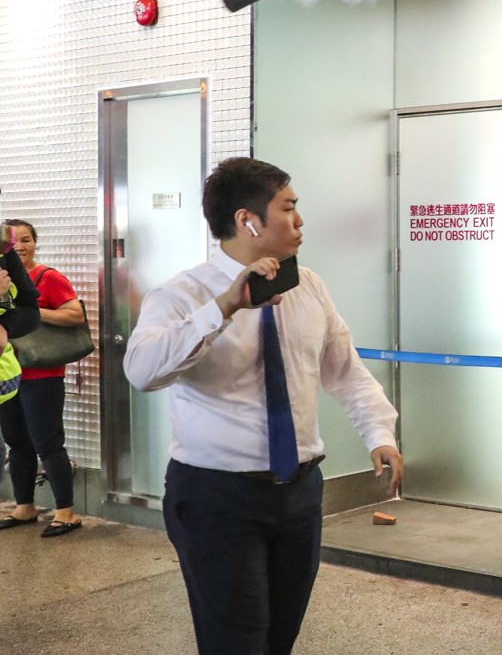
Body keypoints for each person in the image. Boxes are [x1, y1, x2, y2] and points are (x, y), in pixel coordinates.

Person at [124, 157, 404, 655]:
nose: (299, 223)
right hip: (216, 496)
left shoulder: (308, 285)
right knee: (236, 638)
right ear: (246, 219)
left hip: (298, 492)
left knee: (280, 634)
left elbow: (344, 368)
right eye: (288, 209)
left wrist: (379, 432)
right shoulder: (183, 295)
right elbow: (143, 371)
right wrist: (225, 308)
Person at [0, 219, 86, 536]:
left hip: (42, 373)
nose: (20, 246)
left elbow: (74, 313)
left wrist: (30, 312)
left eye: (26, 239)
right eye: (13, 241)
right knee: (16, 442)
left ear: (36, 242)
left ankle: (66, 511)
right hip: (8, 374)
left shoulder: (47, 278)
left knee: (48, 443)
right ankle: (25, 506)